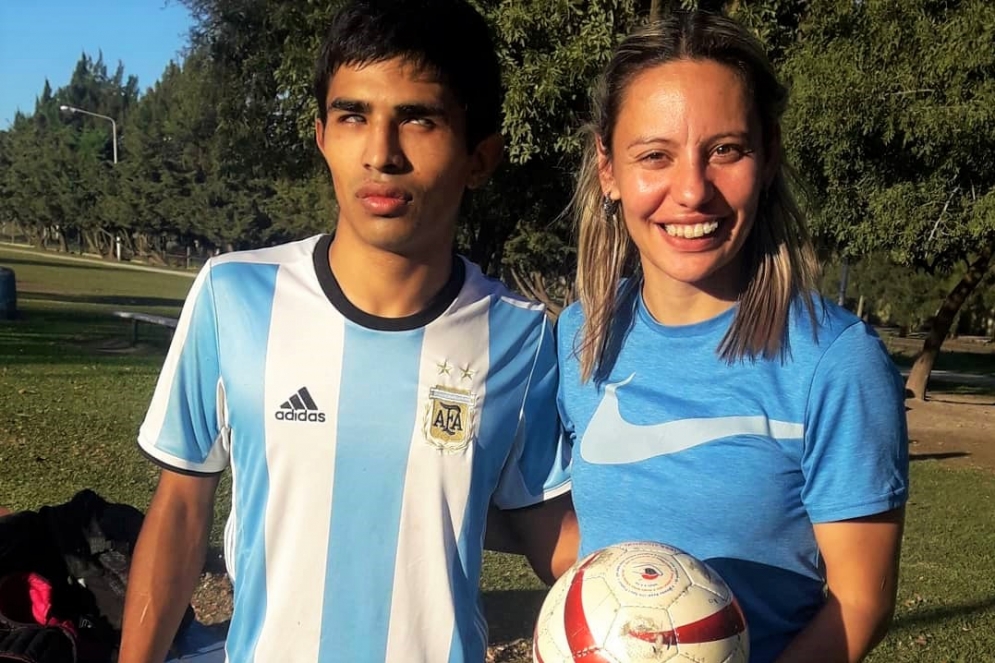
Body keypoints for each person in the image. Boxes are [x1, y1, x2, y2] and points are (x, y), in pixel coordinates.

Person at [118, 1, 577, 661]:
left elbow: (553, 539)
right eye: (353, 115)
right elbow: (183, 510)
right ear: (322, 137)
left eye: (419, 118)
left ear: (481, 156)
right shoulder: (234, 296)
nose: (380, 153)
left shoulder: (521, 338)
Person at [555, 11, 908, 663]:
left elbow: (859, 601)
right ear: (607, 169)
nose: (691, 191)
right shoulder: (580, 333)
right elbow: (578, 536)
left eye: (725, 150)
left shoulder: (834, 360)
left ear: (767, 155)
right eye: (654, 155)